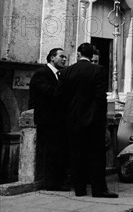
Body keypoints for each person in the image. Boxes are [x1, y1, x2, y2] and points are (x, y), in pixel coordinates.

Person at [57, 42, 118, 198]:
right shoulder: (98, 70)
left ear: (78, 54)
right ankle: (99, 190)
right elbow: (100, 98)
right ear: (92, 56)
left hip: (73, 120)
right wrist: (100, 119)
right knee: (97, 156)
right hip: (94, 121)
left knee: (76, 155)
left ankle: (80, 190)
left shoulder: (66, 72)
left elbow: (61, 97)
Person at [28, 47, 69, 191]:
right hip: (47, 120)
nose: (64, 59)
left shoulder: (60, 74)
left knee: (59, 151)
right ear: (52, 58)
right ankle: (52, 183)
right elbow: (51, 93)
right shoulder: (41, 74)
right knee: (51, 152)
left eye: (65, 57)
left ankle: (59, 181)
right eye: (61, 56)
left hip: (58, 120)